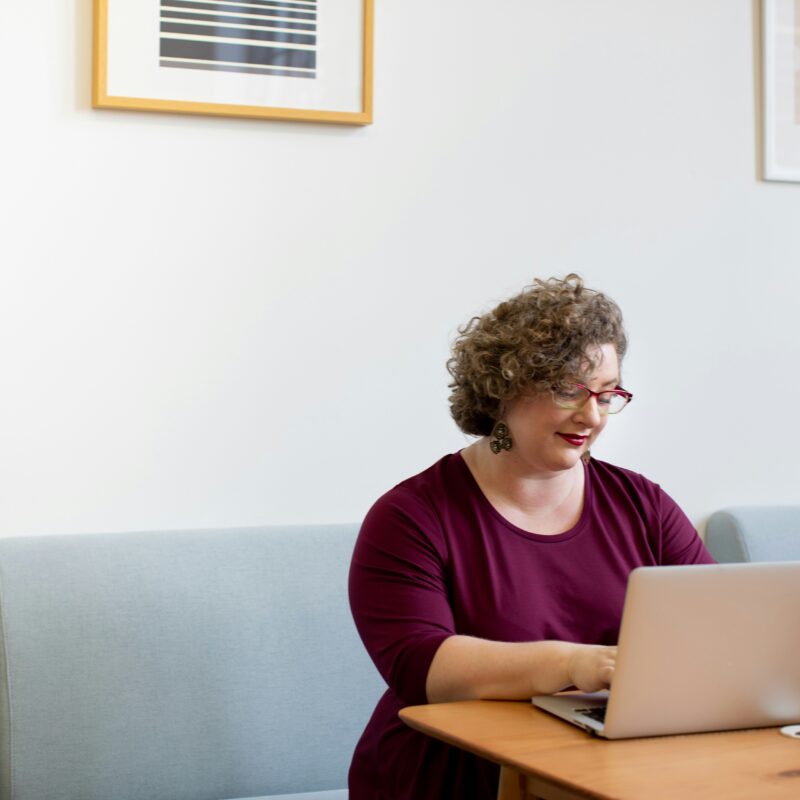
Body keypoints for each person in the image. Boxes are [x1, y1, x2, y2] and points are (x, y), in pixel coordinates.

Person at [348, 274, 714, 799]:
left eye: (607, 394)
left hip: (605, 767)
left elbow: (713, 630)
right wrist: (573, 663)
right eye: (569, 391)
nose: (592, 415)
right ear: (503, 388)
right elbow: (423, 666)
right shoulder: (410, 517)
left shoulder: (643, 505)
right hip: (455, 777)